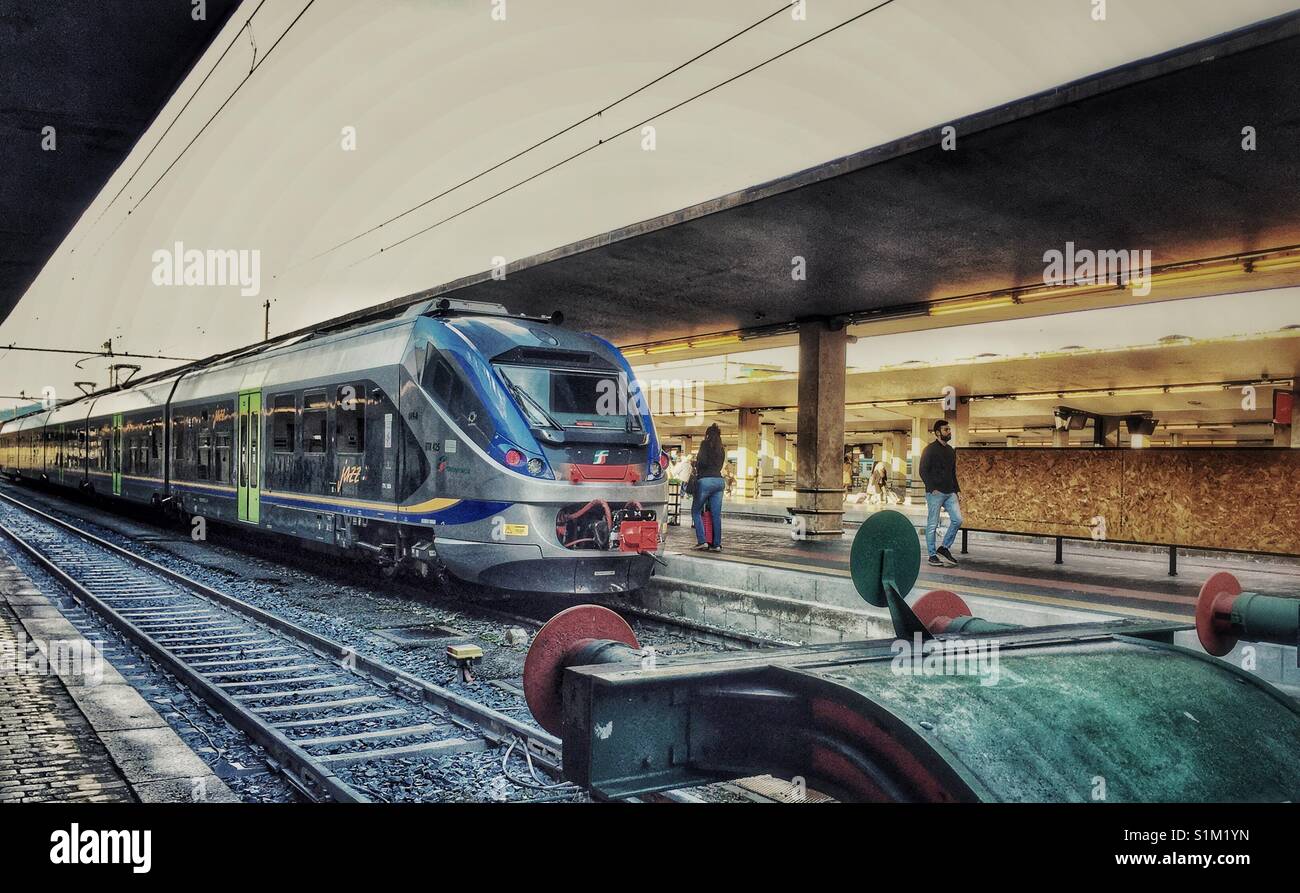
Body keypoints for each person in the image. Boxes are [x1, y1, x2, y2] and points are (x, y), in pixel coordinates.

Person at [919, 419, 962, 567]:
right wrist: (932, 488)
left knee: (958, 520)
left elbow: (952, 472)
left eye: (949, 429)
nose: (949, 432)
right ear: (937, 433)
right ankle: (932, 555)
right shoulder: (929, 450)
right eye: (946, 430)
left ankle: (944, 548)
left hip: (950, 492)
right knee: (932, 525)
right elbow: (923, 470)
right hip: (935, 493)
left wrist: (957, 490)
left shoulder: (951, 451)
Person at [691, 424, 726, 552]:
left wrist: (696, 464)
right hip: (719, 481)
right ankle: (716, 544)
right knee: (716, 515)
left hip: (705, 481)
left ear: (707, 435)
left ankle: (702, 541)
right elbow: (720, 466)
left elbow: (703, 461)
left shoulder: (704, 445)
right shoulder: (721, 449)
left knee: (696, 511)